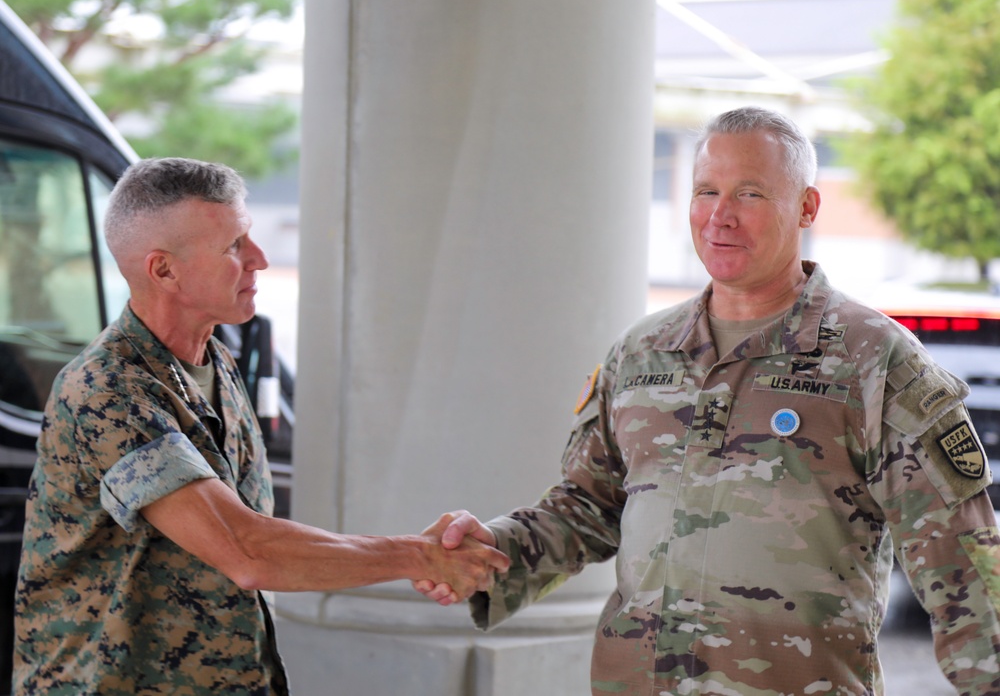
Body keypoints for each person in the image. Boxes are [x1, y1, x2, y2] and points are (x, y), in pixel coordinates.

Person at [417, 106, 1000, 694]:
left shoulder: (874, 359)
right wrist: (494, 549)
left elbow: (964, 561)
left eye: (749, 193)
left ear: (806, 207)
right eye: (705, 191)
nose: (720, 216)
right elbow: (589, 507)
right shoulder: (641, 352)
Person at [13, 157, 510, 695]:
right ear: (163, 270)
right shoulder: (107, 388)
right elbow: (247, 551)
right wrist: (420, 554)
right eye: (233, 247)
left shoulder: (215, 360)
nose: (260, 259)